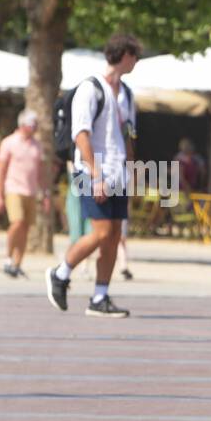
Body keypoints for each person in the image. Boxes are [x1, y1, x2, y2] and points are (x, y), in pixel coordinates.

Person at [45, 33, 141, 316]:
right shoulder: (90, 89)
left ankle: (100, 296)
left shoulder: (127, 94)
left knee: (112, 236)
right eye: (135, 56)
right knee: (100, 233)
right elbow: (81, 135)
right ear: (124, 55)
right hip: (91, 172)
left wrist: (131, 169)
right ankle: (60, 274)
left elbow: (129, 135)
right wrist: (96, 175)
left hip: (118, 173)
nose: (136, 62)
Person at [0, 110, 49, 279]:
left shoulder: (37, 145)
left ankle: (17, 263)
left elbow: (40, 172)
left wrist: (45, 193)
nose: (34, 128)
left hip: (30, 191)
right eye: (32, 125)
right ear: (23, 125)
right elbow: (0, 170)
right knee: (16, 223)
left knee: (25, 228)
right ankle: (8, 258)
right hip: (13, 189)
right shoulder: (9, 142)